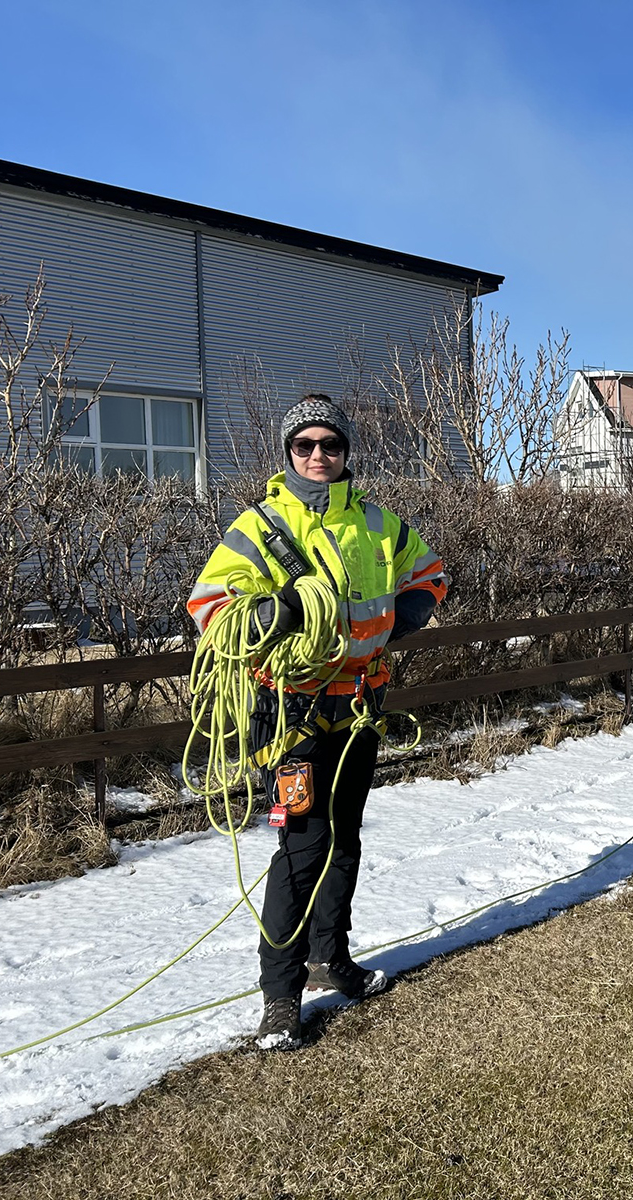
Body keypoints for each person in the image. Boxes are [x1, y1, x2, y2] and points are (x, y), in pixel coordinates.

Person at [188, 394, 447, 1050]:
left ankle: (331, 961)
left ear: (345, 452)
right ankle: (280, 994)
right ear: (288, 452)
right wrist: (282, 611)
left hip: (359, 706)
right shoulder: (260, 526)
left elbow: (430, 573)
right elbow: (208, 604)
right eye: (305, 445)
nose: (318, 455)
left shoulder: (378, 522)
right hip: (294, 716)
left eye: (329, 445)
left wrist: (404, 616)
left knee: (346, 839)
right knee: (301, 846)